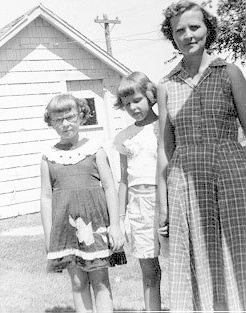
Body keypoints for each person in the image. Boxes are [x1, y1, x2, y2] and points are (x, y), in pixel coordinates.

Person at [157, 0, 246, 311]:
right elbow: (164, 149)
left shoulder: (230, 73)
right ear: (172, 36)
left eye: (194, 27)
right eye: (179, 30)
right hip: (185, 182)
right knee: (196, 257)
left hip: (231, 175)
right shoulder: (166, 84)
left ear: (208, 30)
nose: (188, 35)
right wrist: (162, 205)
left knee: (236, 254)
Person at [40, 93, 126, 313]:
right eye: (59, 119)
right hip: (66, 230)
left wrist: (115, 225)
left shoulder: (95, 149)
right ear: (51, 122)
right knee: (78, 283)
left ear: (81, 116)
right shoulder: (48, 157)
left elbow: (109, 187)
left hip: (95, 226)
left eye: (70, 117)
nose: (65, 124)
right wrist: (50, 236)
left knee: (100, 281)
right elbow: (46, 198)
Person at [113, 72, 162, 311]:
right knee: (149, 269)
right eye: (126, 104)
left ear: (150, 96)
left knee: (183, 262)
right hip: (138, 206)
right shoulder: (124, 137)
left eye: (137, 100)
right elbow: (123, 180)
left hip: (166, 200)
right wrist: (119, 220)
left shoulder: (164, 127)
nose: (132, 108)